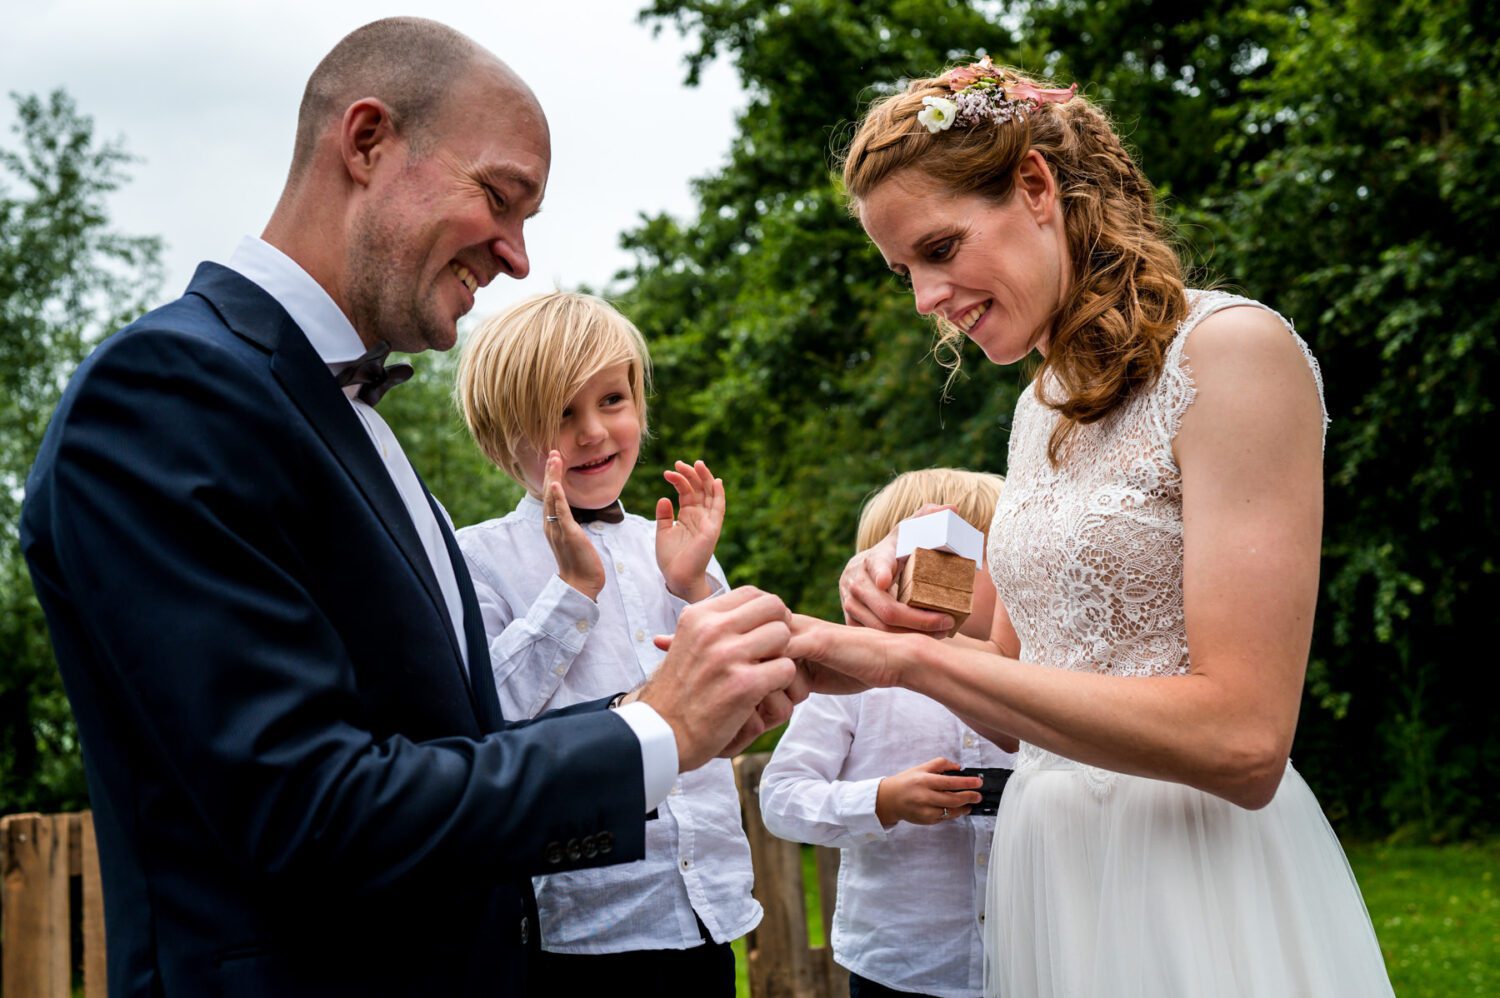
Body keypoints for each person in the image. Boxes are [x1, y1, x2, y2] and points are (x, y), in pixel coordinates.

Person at [19, 19, 801, 998]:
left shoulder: (349, 419)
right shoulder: (165, 390)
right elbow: (307, 806)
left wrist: (684, 712)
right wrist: (652, 731)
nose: (518, 255)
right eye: (500, 196)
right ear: (366, 139)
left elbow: (446, 755)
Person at [786, 57, 1396, 996]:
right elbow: (1029, 690)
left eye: (940, 250)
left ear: (1035, 187)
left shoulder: (1232, 353)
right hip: (1052, 872)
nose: (924, 301)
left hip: (1193, 875)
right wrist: (889, 640)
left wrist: (917, 666)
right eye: (903, 270)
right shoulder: (1041, 406)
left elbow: (1244, 741)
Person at [453, 291, 759, 995]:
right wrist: (572, 592)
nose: (593, 432)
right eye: (561, 413)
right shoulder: (479, 557)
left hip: (705, 910)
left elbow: (737, 703)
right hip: (582, 927)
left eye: (612, 400)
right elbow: (484, 718)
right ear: (503, 440)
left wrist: (694, 589)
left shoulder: (677, 550)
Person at [760, 468, 1015, 998]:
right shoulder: (851, 684)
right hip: (901, 966)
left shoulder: (1034, 681)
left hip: (1020, 959)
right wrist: (882, 800)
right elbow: (780, 797)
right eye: (945, 559)